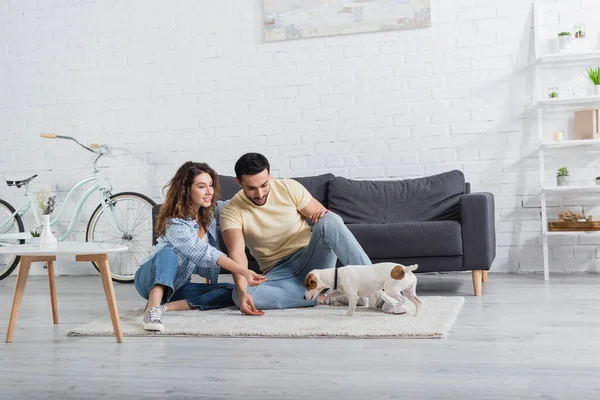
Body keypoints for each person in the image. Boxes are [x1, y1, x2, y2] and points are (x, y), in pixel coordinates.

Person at [219, 153, 407, 316]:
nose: (260, 193)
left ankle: (378, 294)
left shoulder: (288, 188)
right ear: (239, 182)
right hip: (279, 273)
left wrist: (321, 215)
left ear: (270, 175)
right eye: (251, 188)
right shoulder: (231, 211)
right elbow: (237, 255)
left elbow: (324, 219)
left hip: (312, 260)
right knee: (240, 294)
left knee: (331, 219)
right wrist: (243, 292)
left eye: (264, 185)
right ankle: (326, 298)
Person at [135, 161, 266, 331]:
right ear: (186, 189)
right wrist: (244, 271)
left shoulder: (209, 212)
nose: (209, 191)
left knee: (231, 291)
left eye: (211, 185)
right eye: (202, 186)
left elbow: (233, 205)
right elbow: (205, 253)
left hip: (178, 285)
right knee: (167, 254)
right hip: (149, 278)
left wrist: (258, 188)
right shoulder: (174, 222)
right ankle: (152, 309)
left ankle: (164, 307)